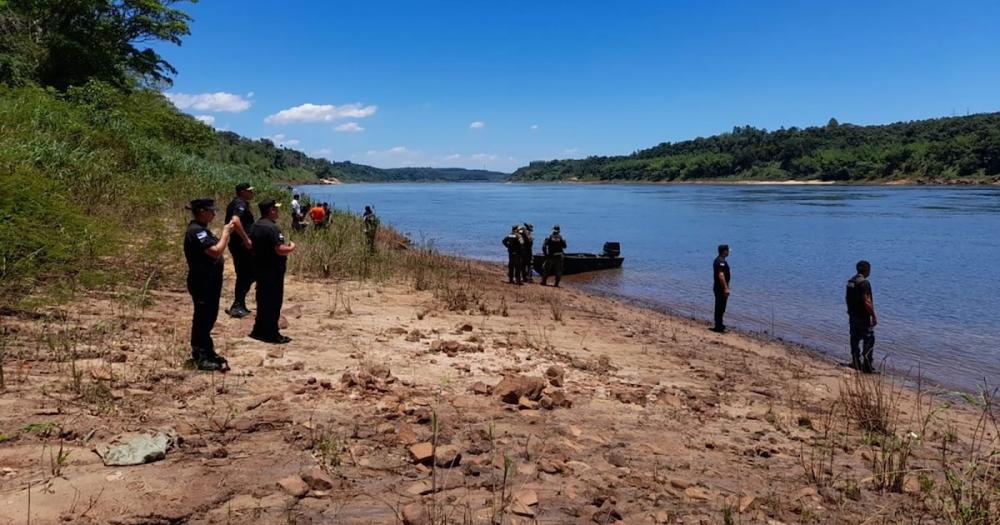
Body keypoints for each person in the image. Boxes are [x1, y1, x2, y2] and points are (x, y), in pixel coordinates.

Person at [183, 198, 232, 371]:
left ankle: (208, 350)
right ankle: (200, 355)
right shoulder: (197, 231)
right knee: (202, 318)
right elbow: (215, 251)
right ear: (202, 211)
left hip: (210, 281)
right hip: (201, 281)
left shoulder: (202, 230)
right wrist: (226, 233)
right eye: (211, 211)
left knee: (209, 316)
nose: (214, 213)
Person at [249, 199, 296, 344]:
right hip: (273, 270)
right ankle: (271, 333)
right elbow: (279, 249)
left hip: (260, 268)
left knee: (262, 300)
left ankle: (258, 330)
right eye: (276, 209)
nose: (278, 212)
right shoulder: (272, 228)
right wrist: (291, 247)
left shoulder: (255, 225)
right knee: (273, 302)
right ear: (271, 211)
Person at [224, 182, 255, 318]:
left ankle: (239, 303)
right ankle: (237, 305)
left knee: (247, 274)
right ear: (242, 192)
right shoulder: (240, 204)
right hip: (241, 246)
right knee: (245, 274)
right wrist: (246, 239)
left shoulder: (239, 203)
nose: (251, 193)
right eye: (249, 191)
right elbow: (235, 220)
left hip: (239, 245)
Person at [846, 260, 878, 373]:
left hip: (853, 315)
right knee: (869, 339)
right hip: (863, 317)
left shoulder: (851, 281)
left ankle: (855, 362)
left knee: (854, 339)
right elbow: (867, 301)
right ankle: (867, 366)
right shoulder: (864, 283)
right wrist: (873, 315)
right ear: (867, 270)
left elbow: (848, 299)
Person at [712, 244, 731, 333]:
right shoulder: (720, 261)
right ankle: (718, 325)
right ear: (724, 251)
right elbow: (721, 275)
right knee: (720, 306)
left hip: (718, 287)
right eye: (728, 250)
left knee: (721, 306)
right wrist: (725, 288)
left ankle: (719, 324)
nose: (729, 252)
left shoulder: (719, 260)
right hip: (720, 288)